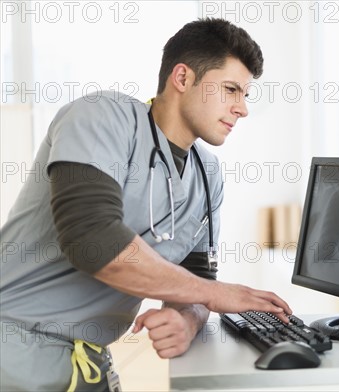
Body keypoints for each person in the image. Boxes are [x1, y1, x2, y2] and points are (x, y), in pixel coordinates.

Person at [0, 18, 292, 391]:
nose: (242, 109)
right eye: (231, 89)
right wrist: (217, 296)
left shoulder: (207, 174)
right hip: (14, 351)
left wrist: (187, 318)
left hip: (89, 361)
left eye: (245, 94)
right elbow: (93, 241)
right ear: (182, 78)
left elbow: (196, 279)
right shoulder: (100, 117)